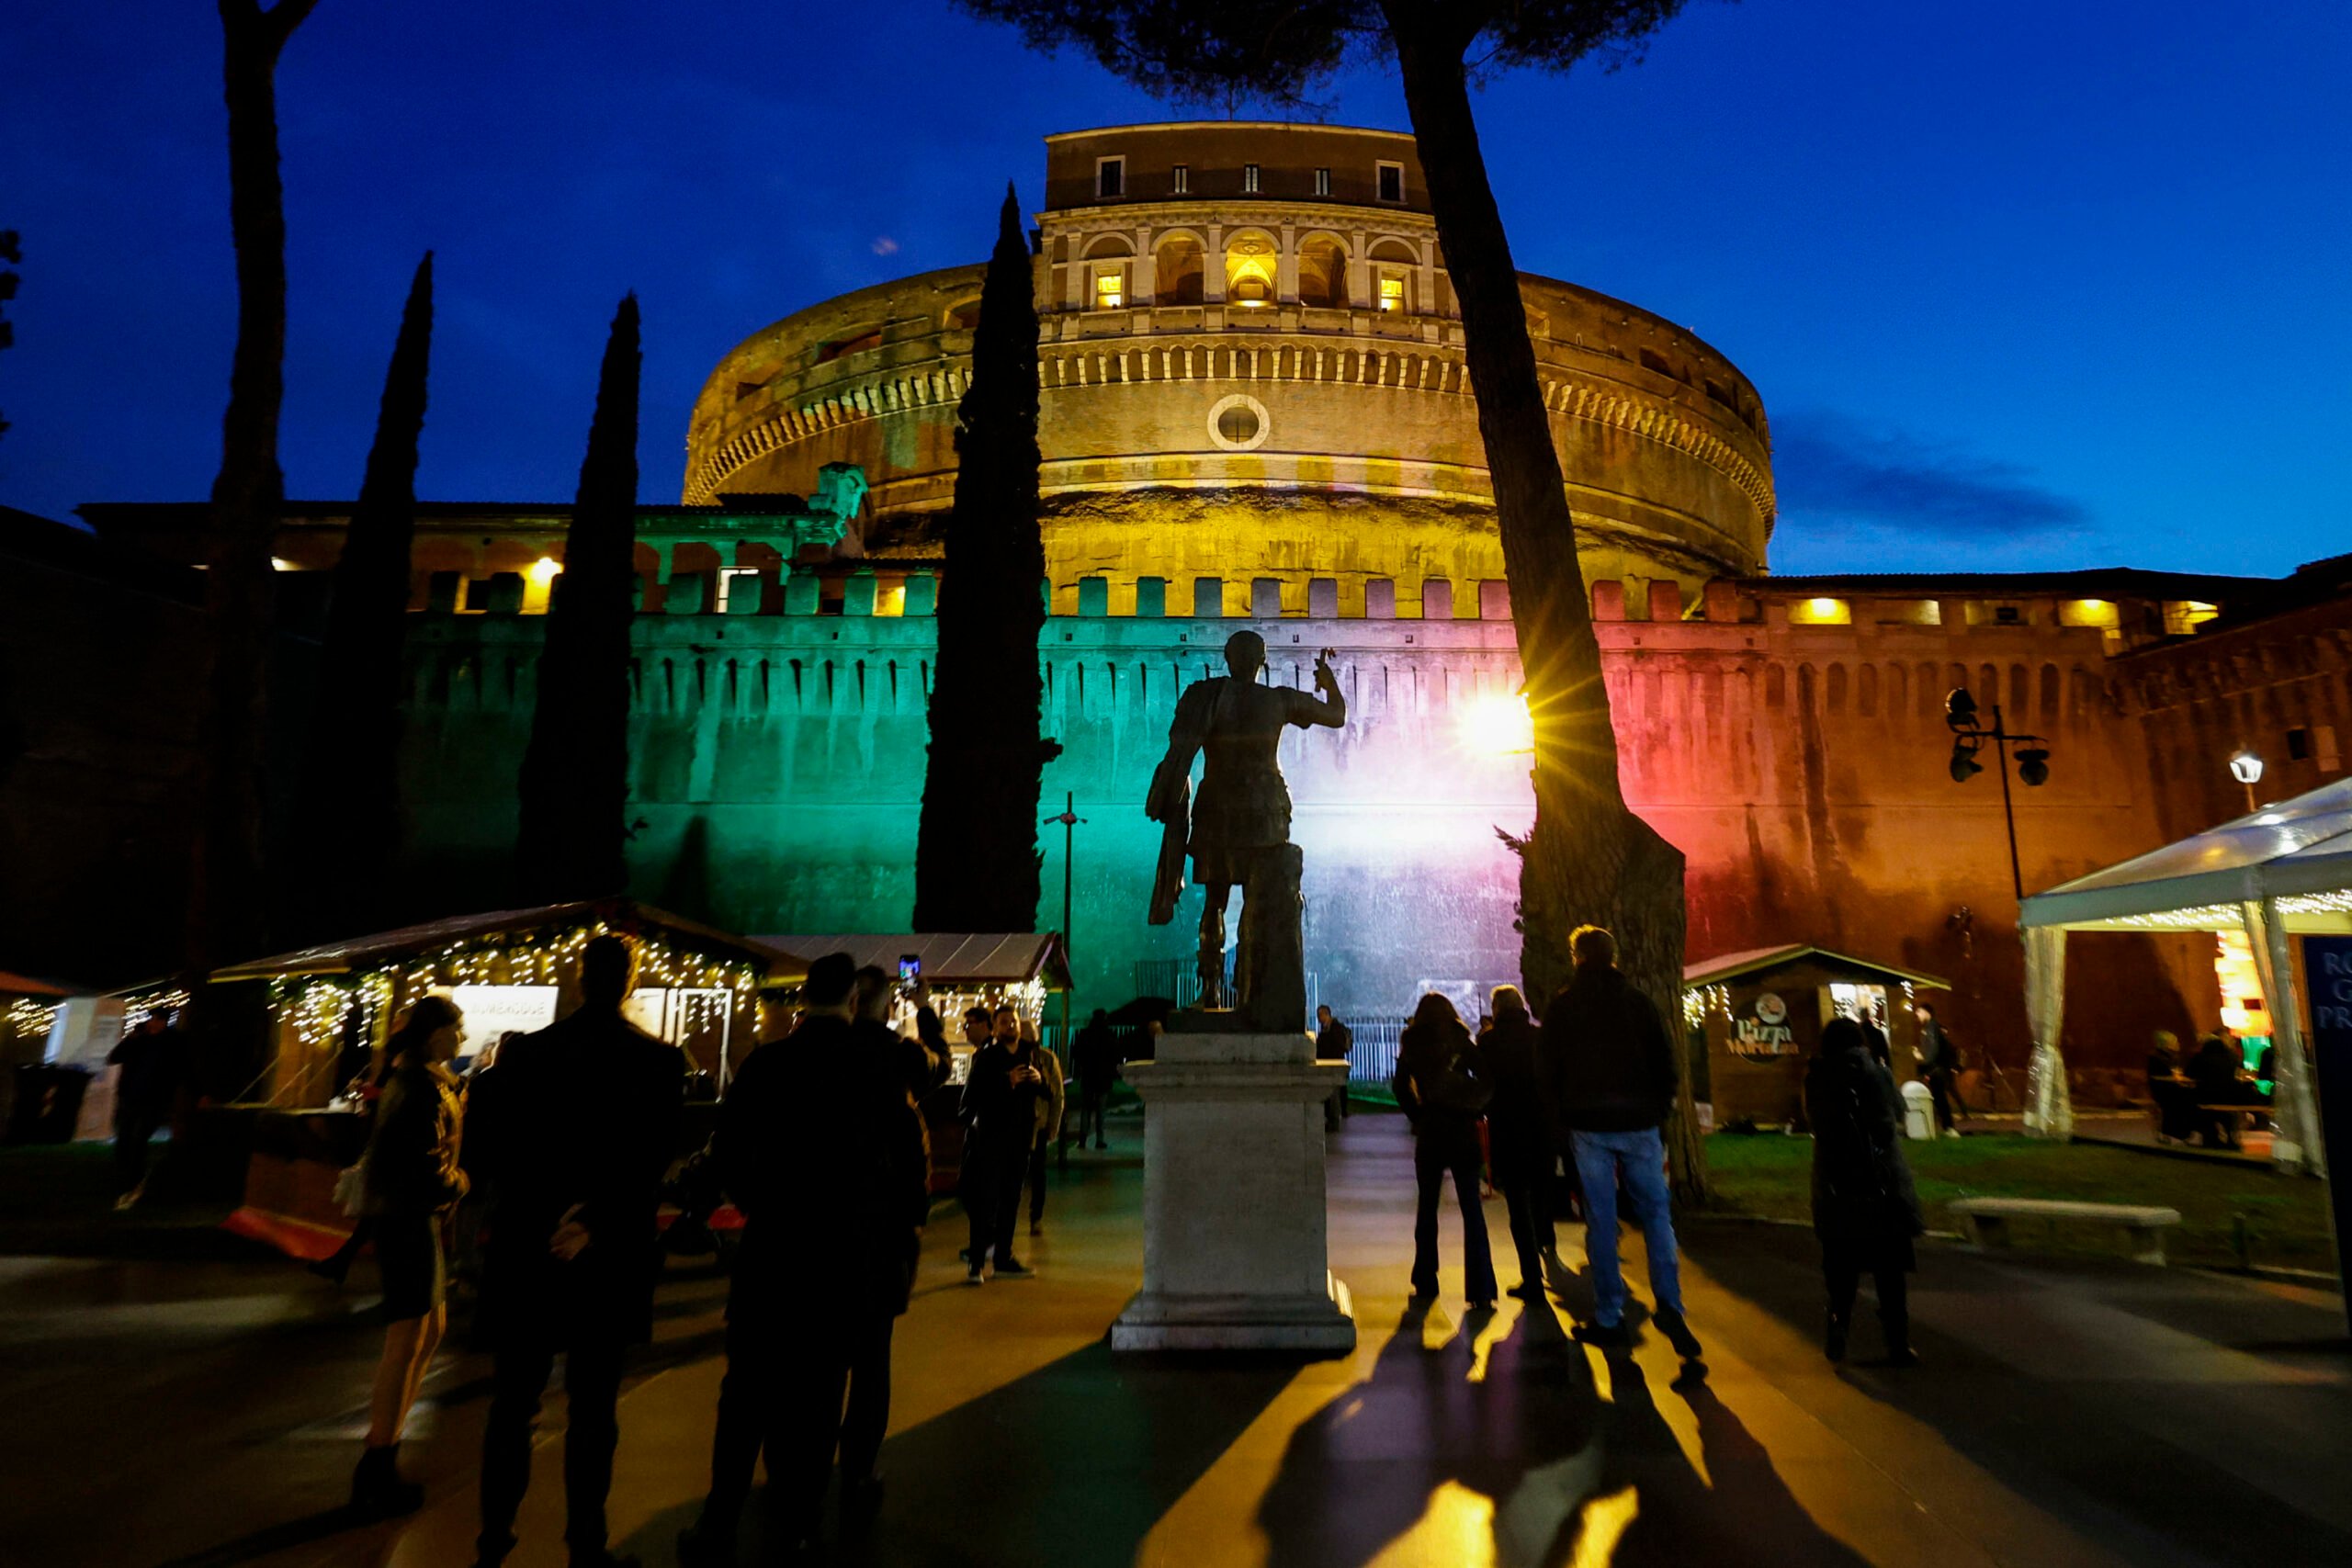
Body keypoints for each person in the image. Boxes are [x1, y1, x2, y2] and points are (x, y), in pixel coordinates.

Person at [678, 953, 929, 1562]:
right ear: (851, 1000)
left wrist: (756, 1199)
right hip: (845, 1254)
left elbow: (727, 1151)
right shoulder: (877, 1067)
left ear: (802, 999)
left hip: (773, 1250)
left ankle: (719, 1519)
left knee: (745, 1394)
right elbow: (907, 1166)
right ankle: (800, 1522)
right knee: (819, 1395)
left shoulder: (767, 1063)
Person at [465, 936, 684, 1568]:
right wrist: (593, 1219)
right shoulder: (657, 1062)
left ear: (578, 977)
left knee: (513, 1402)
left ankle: (493, 1541)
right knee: (594, 1405)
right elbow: (650, 1160)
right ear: (630, 980)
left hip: (528, 1243)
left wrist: (542, 1206)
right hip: (606, 1251)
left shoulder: (526, 1056)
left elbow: (486, 1153)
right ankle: (586, 1542)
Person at [1542, 925, 1702, 1359]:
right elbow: (1665, 1060)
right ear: (1614, 956)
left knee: (1601, 1219)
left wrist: (1562, 1119)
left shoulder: (1564, 1006)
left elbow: (1550, 1070)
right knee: (1656, 1215)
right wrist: (1659, 1107)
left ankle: (1610, 1314)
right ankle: (1670, 1304)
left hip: (1589, 1125)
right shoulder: (1640, 1005)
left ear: (1576, 956)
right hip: (1639, 1122)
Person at [345, 996, 469, 1516]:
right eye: (455, 1029)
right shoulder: (418, 1087)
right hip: (408, 1219)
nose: (461, 1038)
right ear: (434, 1033)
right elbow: (424, 1163)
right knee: (407, 1336)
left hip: (412, 1219)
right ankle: (378, 1461)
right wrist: (459, 1181)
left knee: (427, 1330)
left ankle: (383, 1453)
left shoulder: (422, 1081)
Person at [1806, 1015, 1924, 1367]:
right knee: (1890, 1273)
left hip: (1837, 1190)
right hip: (1881, 1188)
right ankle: (1897, 1342)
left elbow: (1817, 1124)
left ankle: (1837, 1331)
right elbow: (1895, 1118)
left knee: (1841, 1273)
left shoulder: (1818, 1079)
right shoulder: (1877, 1074)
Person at [1393, 992, 1498, 1309]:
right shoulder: (1461, 1039)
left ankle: (1425, 1279)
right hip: (1462, 1129)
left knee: (1427, 1208)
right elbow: (1489, 1079)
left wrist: (1418, 1115)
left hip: (1432, 1130)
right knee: (1472, 1209)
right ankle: (1480, 1287)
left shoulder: (1412, 1042)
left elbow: (1399, 1086)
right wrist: (1473, 1104)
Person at [1480, 986, 1555, 1298]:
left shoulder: (1488, 1042)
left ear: (1496, 1009)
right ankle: (1546, 1241)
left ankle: (1532, 1277)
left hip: (1508, 1130)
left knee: (1518, 1206)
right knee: (1540, 1194)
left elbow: (1483, 1084)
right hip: (1542, 1127)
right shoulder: (1540, 1038)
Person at [959, 1004, 1042, 1281]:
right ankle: (977, 1262)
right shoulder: (987, 1058)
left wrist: (1039, 1082)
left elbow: (1046, 1093)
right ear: (995, 1028)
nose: (1010, 1025)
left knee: (1011, 1199)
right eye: (1004, 1022)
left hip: (1018, 1139)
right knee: (986, 1201)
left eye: (1013, 1021)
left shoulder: (1028, 1053)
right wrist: (1006, 1081)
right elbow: (975, 1095)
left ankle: (1003, 1258)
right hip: (991, 1139)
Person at [107, 1012, 186, 1210]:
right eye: (153, 1020)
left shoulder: (172, 1042)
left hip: (154, 1099)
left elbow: (183, 1067)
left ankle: (134, 1180)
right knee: (125, 1138)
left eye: (159, 1020)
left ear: (165, 1023)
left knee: (139, 1139)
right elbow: (114, 1058)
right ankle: (123, 1179)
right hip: (130, 1096)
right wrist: (131, 1040)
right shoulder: (139, 1040)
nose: (155, 1024)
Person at [1020, 1016, 1065, 1235]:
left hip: (1038, 1125)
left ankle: (1035, 1216)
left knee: (1038, 1173)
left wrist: (1053, 1123)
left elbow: (1056, 1094)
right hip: (1018, 1125)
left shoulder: (1046, 1059)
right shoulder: (1011, 1058)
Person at [1911, 1001, 1964, 1135]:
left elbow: (1932, 1051)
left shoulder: (1930, 1028)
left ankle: (1948, 1128)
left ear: (1927, 1012)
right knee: (1939, 1098)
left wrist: (1921, 1057)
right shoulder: (1931, 1028)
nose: (1917, 1014)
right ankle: (1946, 1127)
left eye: (1919, 1011)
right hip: (1938, 1069)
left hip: (1936, 1070)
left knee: (1939, 1098)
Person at [1069, 1009, 1118, 1150]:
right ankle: (1099, 1139)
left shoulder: (1084, 1034)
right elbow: (1115, 1054)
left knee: (1086, 1109)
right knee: (1101, 1110)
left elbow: (1076, 1053)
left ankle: (1083, 1138)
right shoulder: (1109, 1035)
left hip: (1088, 1075)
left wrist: (1083, 1065)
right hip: (1103, 1076)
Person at [2188, 1032, 2246, 1148]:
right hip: (2232, 1097)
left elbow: (2189, 1074)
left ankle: (2210, 1136)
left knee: (2192, 1102)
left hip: (2207, 1096)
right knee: (2226, 1111)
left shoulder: (2201, 1057)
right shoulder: (2232, 1056)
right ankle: (2230, 1137)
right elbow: (2241, 1072)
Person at [2145, 1030, 2197, 1144]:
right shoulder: (2159, 1058)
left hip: (2171, 1088)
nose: (2178, 1044)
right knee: (2184, 1099)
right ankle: (2180, 1132)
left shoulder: (2169, 1056)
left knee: (2188, 1097)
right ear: (2167, 1044)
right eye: (2175, 1041)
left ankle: (2181, 1131)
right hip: (2164, 1090)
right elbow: (2162, 1076)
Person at [1316, 1004, 1354, 1134]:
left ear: (1327, 1014)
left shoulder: (1333, 1030)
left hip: (1332, 1064)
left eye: (1320, 1015)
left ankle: (1334, 1120)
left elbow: (1333, 1047)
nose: (1319, 1019)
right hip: (1333, 1064)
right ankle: (1336, 1117)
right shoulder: (1330, 1029)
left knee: (1334, 1094)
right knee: (1336, 1092)